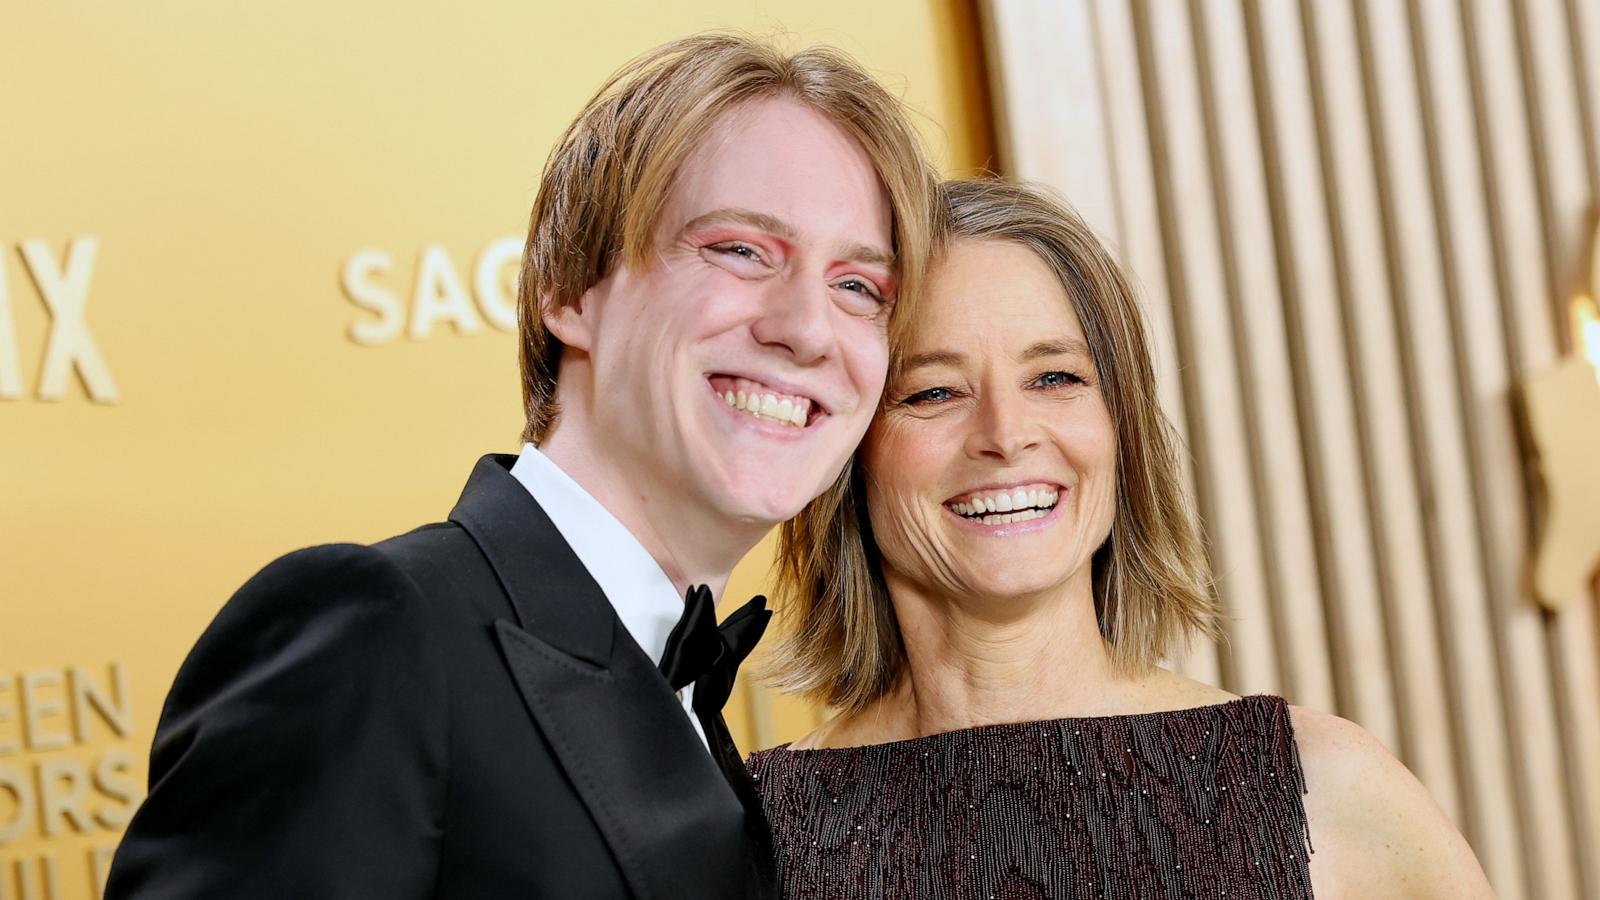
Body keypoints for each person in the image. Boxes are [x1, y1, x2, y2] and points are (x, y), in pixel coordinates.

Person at [106, 33, 936, 899]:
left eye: (858, 289)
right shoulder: (378, 630)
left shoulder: (688, 703)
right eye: (739, 250)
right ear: (570, 292)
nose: (806, 329)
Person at [748, 179, 1494, 899]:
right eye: (933, 392)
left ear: (1120, 426)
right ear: (848, 454)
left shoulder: (1323, 788)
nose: (1006, 436)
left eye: (1055, 378)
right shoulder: (747, 835)